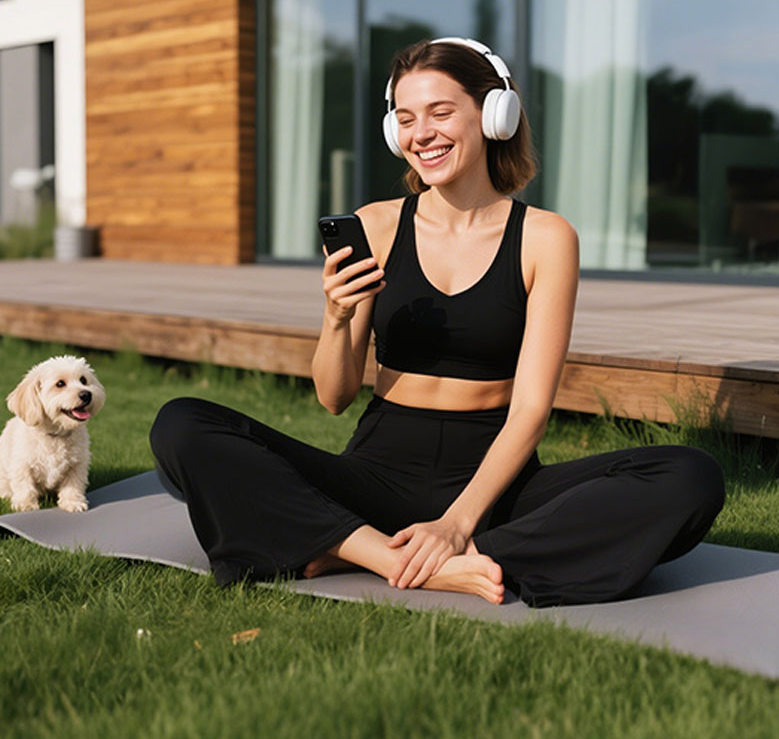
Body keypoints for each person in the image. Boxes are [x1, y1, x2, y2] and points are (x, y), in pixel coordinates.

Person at [149, 38, 725, 607]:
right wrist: (335, 316)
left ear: (494, 114)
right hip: (374, 476)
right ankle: (399, 560)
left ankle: (345, 546)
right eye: (405, 118)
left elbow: (529, 411)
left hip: (494, 485)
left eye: (440, 112)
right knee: (181, 425)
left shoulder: (546, 239)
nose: (421, 133)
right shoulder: (374, 225)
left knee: (690, 476)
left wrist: (456, 522)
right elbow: (333, 397)